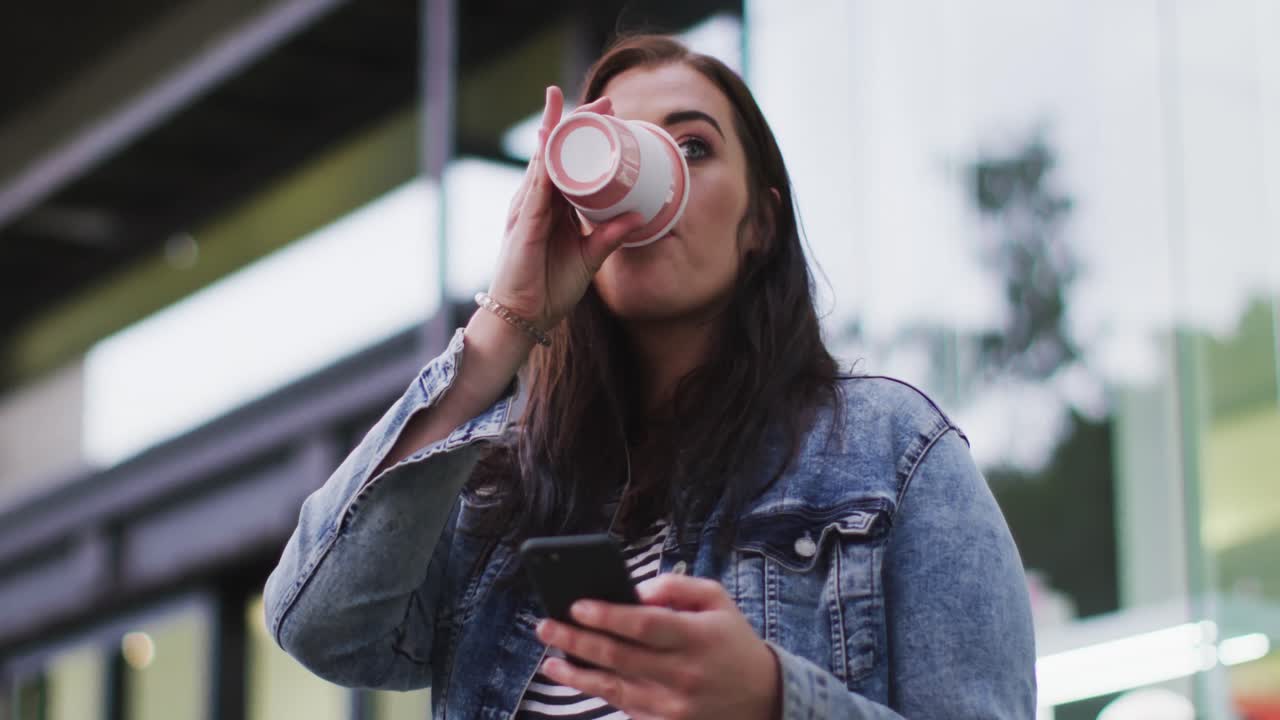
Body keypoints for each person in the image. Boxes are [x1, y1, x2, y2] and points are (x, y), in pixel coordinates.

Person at [264, 34, 1037, 719]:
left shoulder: (889, 452)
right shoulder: (504, 498)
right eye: (617, 148)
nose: (643, 178)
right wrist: (503, 327)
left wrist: (772, 701)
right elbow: (319, 625)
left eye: (693, 148)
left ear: (760, 224)